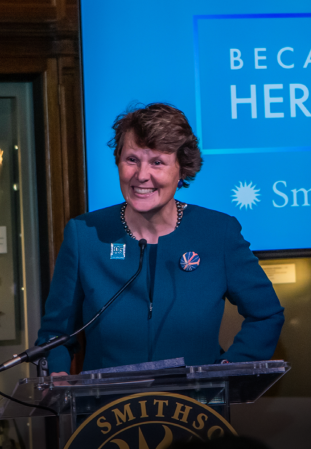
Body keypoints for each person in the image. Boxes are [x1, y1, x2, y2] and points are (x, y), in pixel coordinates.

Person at [36, 103, 284, 375]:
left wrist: (230, 369)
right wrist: (54, 376)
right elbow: (54, 335)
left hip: (195, 410)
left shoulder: (218, 233)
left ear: (182, 169)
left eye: (157, 162)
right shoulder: (84, 235)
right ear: (118, 161)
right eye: (132, 160)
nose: (142, 175)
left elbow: (267, 314)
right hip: (109, 412)